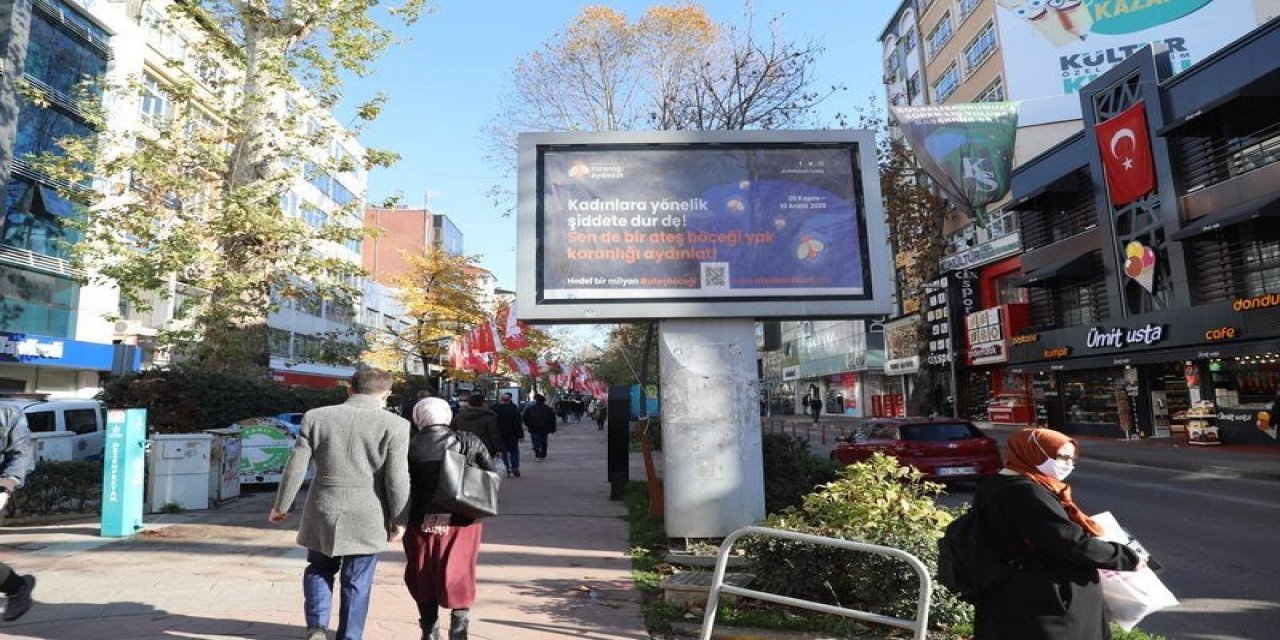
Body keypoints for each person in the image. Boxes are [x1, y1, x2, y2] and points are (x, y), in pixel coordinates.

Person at [270, 368, 411, 640]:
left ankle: (317, 627)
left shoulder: (317, 417)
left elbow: (296, 465)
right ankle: (350, 635)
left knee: (319, 568)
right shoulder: (395, 425)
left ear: (350, 388)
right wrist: (400, 517)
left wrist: (282, 506)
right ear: (387, 393)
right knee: (358, 579)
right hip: (368, 512)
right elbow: (396, 477)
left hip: (323, 506)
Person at [973, 427, 1145, 640]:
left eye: (1073, 460)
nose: (1068, 465)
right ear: (1033, 452)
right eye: (1062, 457)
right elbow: (1067, 541)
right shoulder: (1026, 492)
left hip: (1013, 594)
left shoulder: (997, 485)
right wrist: (1127, 557)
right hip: (1043, 602)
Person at [403, 397, 496, 640]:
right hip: (462, 520)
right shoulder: (467, 441)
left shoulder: (407, 444)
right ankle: (459, 629)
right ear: (447, 415)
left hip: (421, 520)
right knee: (459, 571)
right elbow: (490, 474)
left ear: (418, 416)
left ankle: (429, 631)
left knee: (422, 573)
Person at [0, 404, 35, 622]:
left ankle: (17, 587)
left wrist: (6, 485)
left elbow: (21, 453)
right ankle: (16, 586)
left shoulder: (7, 413)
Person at [450, 393, 502, 458]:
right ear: (482, 404)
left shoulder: (459, 416)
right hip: (484, 448)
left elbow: (452, 431)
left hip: (463, 447)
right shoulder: (488, 417)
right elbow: (493, 434)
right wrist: (498, 449)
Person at [491, 393, 524, 478]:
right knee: (514, 451)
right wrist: (520, 435)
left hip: (500, 434)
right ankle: (515, 467)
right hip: (512, 434)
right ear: (510, 399)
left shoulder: (495, 409)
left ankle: (506, 469)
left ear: (501, 399)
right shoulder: (514, 409)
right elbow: (518, 423)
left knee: (503, 452)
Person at [521, 394, 558, 462]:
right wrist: (553, 428)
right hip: (544, 428)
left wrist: (529, 425)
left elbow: (525, 418)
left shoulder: (530, 409)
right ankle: (543, 454)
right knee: (544, 441)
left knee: (535, 442)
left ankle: (537, 454)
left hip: (533, 428)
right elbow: (552, 419)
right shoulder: (548, 409)